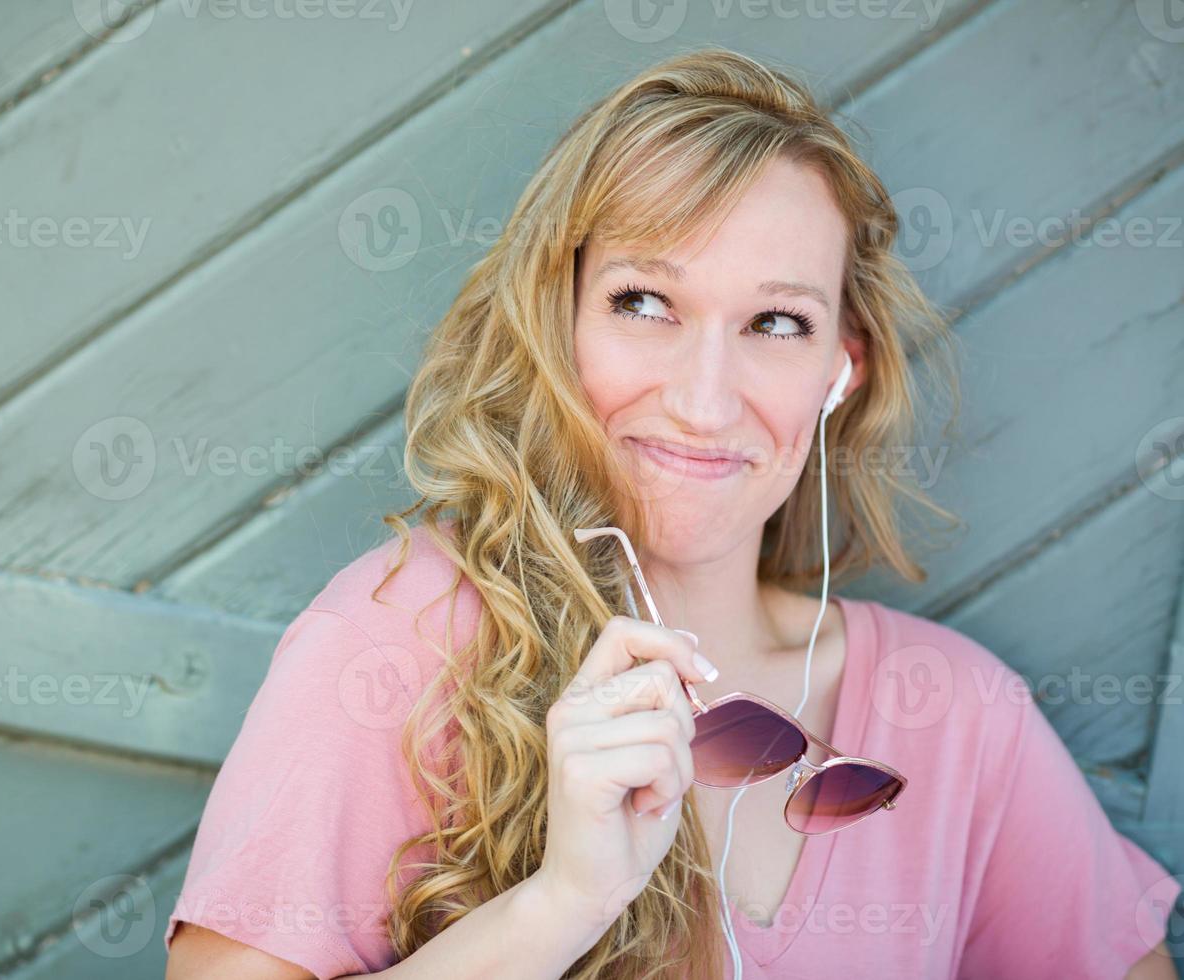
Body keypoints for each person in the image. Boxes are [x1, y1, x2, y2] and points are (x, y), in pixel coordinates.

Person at [163, 47, 1180, 979]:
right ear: (557, 320)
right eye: (646, 301)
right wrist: (562, 903)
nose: (703, 397)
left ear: (839, 372)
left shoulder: (957, 716)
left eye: (775, 323)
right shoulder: (400, 636)